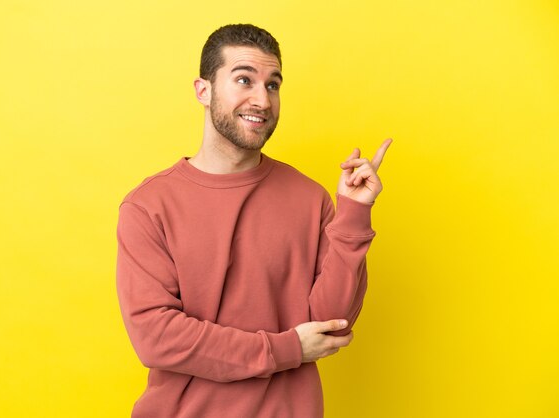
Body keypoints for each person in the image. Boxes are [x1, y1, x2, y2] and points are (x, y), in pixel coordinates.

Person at [116, 23, 392, 418]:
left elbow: (331, 323)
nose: (262, 99)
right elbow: (156, 337)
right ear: (203, 90)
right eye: (244, 79)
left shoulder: (310, 198)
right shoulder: (148, 206)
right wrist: (286, 349)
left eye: (273, 85)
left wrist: (353, 212)